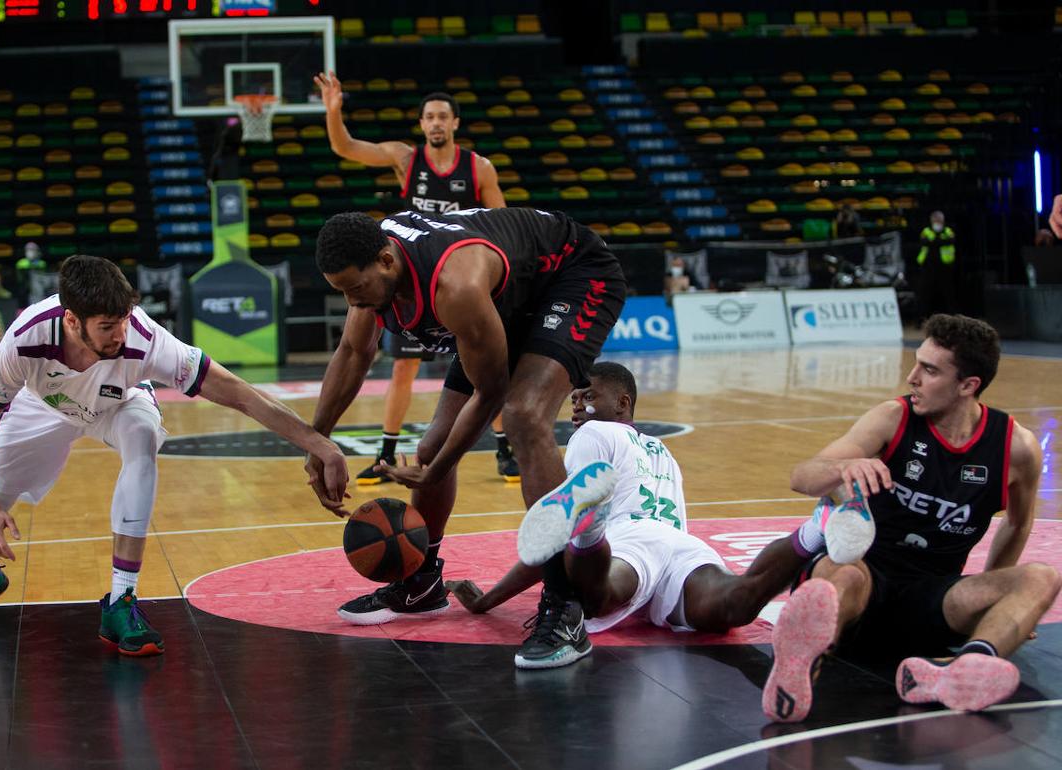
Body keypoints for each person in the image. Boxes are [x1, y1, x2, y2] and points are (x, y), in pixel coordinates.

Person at [0, 255, 349, 657]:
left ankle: (121, 598)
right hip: (41, 407)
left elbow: (239, 393)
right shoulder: (25, 339)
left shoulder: (145, 340)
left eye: (123, 320)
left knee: (143, 436)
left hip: (118, 403)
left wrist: (320, 445)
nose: (120, 334)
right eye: (108, 325)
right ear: (71, 320)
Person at [307, 205, 628, 667]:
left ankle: (565, 604)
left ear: (386, 261)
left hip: (573, 276)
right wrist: (317, 441)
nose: (354, 303)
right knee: (432, 445)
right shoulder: (370, 277)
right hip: (506, 297)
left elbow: (492, 392)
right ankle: (422, 583)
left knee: (523, 414)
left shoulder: (454, 286)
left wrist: (435, 473)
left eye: (357, 290)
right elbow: (354, 351)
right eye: (342, 294)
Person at [446, 362, 866, 669]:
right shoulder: (662, 451)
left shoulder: (592, 434)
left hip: (629, 541)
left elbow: (552, 541)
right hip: (680, 545)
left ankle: (590, 530)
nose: (576, 407)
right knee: (734, 607)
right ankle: (816, 529)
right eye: (573, 399)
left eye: (587, 396)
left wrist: (490, 599)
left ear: (622, 402)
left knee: (593, 597)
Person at [763, 314, 1059, 723]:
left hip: (933, 602)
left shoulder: (1017, 447)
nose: (912, 377)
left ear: (968, 385)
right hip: (863, 588)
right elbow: (802, 476)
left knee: (1042, 576)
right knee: (840, 573)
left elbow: (1018, 522)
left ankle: (963, 671)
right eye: (917, 363)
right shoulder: (893, 418)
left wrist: (998, 601)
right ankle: (804, 660)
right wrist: (841, 470)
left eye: (930, 369)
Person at [314, 72, 520, 484]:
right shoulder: (406, 160)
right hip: (414, 277)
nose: (436, 123)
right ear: (422, 124)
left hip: (460, 279)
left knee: (482, 363)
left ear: (455, 123)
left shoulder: (478, 168)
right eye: (429, 117)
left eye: (443, 116)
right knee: (403, 368)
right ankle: (386, 453)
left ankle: (504, 449)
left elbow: (504, 222)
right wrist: (333, 114)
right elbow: (345, 147)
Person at [916, 210, 957, 316]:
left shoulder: (948, 231)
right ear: (931, 220)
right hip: (928, 267)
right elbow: (924, 242)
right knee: (924, 294)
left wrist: (934, 242)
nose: (937, 222)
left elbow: (951, 241)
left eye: (939, 220)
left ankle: (953, 317)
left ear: (943, 221)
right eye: (935, 220)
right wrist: (940, 241)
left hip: (945, 268)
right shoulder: (926, 231)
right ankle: (921, 318)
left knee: (949, 294)